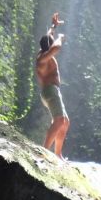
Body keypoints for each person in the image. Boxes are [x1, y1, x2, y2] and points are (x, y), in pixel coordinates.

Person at [35, 11, 69, 158]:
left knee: (65, 122)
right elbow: (56, 47)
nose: (54, 39)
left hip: (53, 91)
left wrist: (53, 26)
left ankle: (58, 154)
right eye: (52, 39)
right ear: (48, 47)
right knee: (59, 120)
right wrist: (60, 38)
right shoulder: (43, 58)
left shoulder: (44, 53)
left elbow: (49, 38)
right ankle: (44, 153)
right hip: (49, 91)